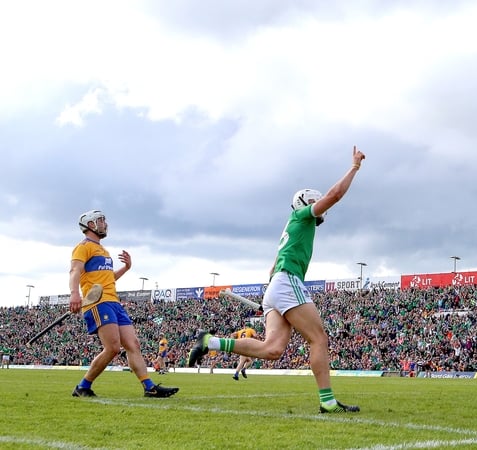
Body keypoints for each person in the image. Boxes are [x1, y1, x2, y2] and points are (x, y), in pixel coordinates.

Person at [189, 147, 365, 413]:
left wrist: (270, 300)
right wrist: (354, 167)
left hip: (276, 286)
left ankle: (210, 342)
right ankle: (327, 401)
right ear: (305, 203)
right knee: (318, 339)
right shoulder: (301, 217)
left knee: (272, 349)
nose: (321, 210)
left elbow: (272, 267)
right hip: (287, 283)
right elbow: (335, 195)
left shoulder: (292, 227)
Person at [69, 209, 179, 398]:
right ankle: (82, 386)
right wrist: (74, 293)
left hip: (114, 302)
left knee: (133, 344)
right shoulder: (83, 247)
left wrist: (126, 268)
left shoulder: (103, 251)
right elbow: (75, 271)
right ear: (90, 225)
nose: (105, 224)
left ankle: (149, 387)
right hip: (98, 302)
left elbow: (108, 279)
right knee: (112, 348)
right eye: (101, 220)